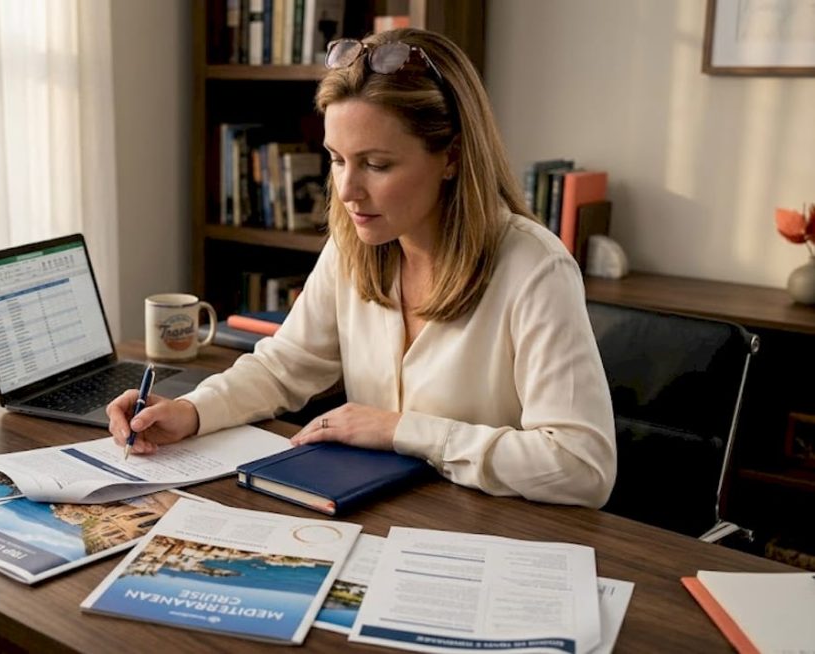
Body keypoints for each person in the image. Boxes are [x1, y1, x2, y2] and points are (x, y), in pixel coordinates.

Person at [107, 29, 616, 508]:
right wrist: (191, 411)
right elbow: (283, 367)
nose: (348, 192)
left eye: (376, 164)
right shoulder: (354, 245)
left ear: (453, 157)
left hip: (488, 542)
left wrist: (399, 429)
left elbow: (582, 467)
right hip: (373, 516)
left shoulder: (536, 269)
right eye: (336, 159)